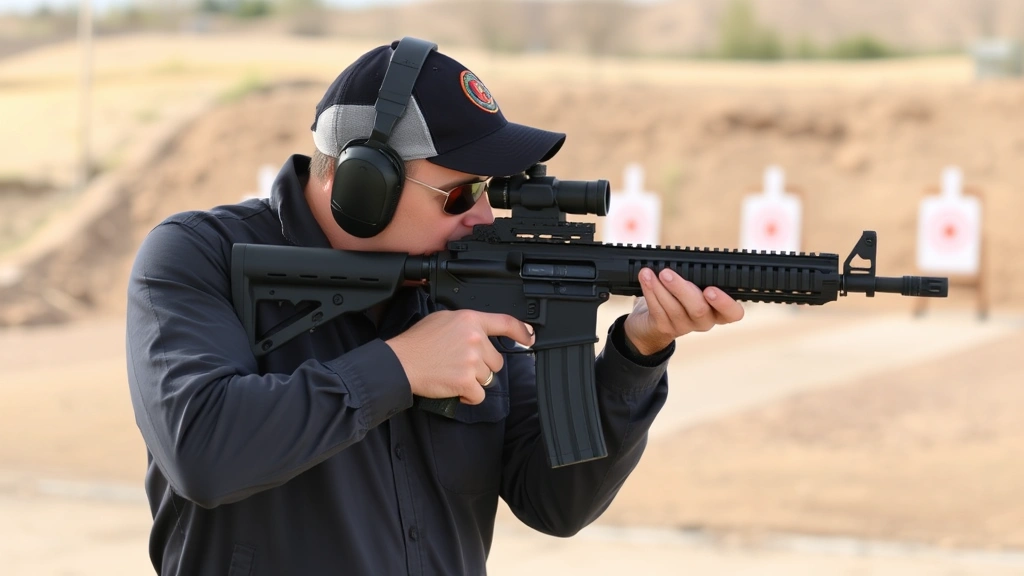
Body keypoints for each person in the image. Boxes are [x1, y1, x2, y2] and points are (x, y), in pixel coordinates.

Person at [125, 37, 744, 576]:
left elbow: (557, 502)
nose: (483, 215)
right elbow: (202, 451)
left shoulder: (470, 280)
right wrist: (400, 367)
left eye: (489, 190)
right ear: (363, 185)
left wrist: (635, 355)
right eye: (461, 193)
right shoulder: (197, 256)